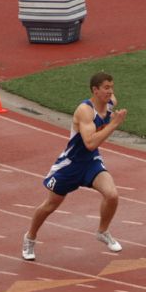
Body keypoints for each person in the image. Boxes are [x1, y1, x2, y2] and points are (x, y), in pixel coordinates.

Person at [22, 72, 127, 261]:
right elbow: (89, 143)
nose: (110, 91)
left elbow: (92, 150)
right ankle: (30, 237)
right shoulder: (85, 111)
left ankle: (102, 231)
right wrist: (114, 124)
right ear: (95, 90)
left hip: (91, 162)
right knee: (50, 205)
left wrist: (112, 117)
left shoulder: (111, 103)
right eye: (106, 88)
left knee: (112, 195)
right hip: (70, 165)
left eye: (112, 87)